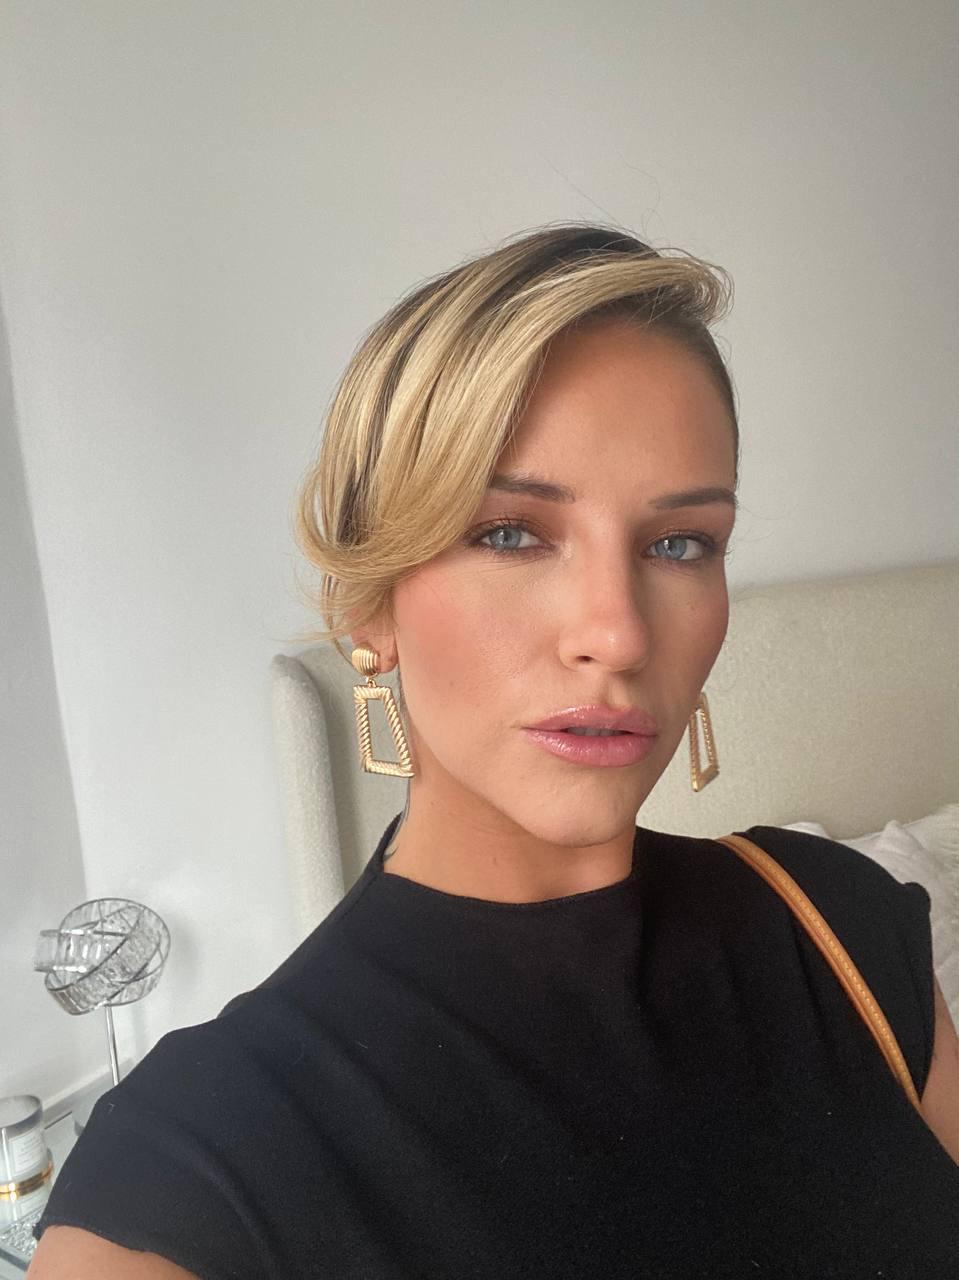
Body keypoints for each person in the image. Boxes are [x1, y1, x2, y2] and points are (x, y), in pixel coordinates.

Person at [28, 224, 959, 1279]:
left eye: (678, 543)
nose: (618, 633)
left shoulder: (836, 926)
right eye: (509, 532)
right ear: (368, 602)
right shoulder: (191, 1174)